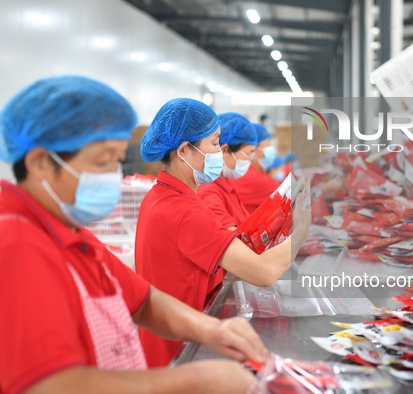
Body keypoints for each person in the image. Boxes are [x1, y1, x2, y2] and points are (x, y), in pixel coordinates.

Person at [0, 76, 266, 394]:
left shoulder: (69, 232)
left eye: (116, 161)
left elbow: (143, 300)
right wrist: (197, 379)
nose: (114, 176)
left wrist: (211, 330)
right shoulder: (16, 245)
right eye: (102, 162)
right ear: (42, 162)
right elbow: (53, 384)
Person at [135, 98, 311, 367]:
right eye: (215, 143)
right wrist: (300, 230)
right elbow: (262, 272)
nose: (220, 151)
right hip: (181, 351)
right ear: (184, 150)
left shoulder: (161, 195)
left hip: (164, 340)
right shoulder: (184, 210)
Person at [197, 112, 257, 229]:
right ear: (224, 150)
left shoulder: (226, 183)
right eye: (249, 154)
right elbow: (230, 239)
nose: (250, 160)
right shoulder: (208, 191)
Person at [229, 123, 281, 213]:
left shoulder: (247, 171)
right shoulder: (253, 177)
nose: (271, 150)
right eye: (267, 145)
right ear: (254, 150)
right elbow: (288, 195)